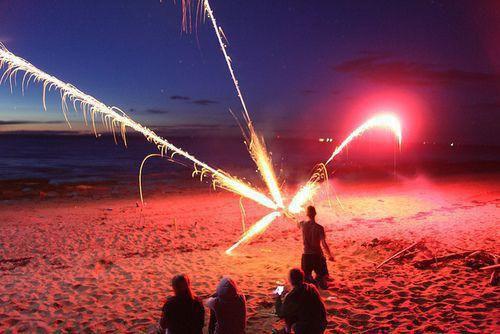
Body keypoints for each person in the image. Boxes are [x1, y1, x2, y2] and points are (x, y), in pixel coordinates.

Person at [275, 268, 327, 334]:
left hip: (307, 329)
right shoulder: (312, 288)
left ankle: (287, 331)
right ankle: (286, 330)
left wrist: (278, 296)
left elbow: (280, 313)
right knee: (296, 311)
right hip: (321, 325)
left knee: (288, 314)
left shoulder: (292, 296)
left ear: (290, 280)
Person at [299, 206, 334, 289]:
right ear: (315, 214)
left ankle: (312, 286)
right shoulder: (320, 228)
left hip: (306, 255)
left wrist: (286, 214)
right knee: (321, 277)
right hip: (317, 255)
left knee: (305, 279)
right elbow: (324, 244)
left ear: (307, 214)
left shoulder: (303, 225)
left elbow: (294, 220)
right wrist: (330, 255)